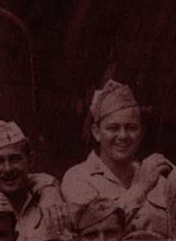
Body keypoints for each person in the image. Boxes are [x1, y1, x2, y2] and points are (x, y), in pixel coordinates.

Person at [64, 79, 170, 232]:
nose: (123, 136)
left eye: (131, 128)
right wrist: (140, 189)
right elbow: (98, 230)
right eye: (113, 128)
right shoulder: (77, 178)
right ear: (96, 132)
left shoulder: (159, 183)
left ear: (142, 133)